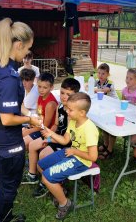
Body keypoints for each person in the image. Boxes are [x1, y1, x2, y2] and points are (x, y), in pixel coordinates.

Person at [0, 18, 41, 222]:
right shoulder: (10, 78)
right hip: (7, 139)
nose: (27, 55)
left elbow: (10, 104)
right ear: (18, 45)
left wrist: (26, 112)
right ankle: (3, 218)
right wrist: (30, 119)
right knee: (10, 181)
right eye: (27, 49)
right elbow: (8, 118)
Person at [38, 92, 99, 220]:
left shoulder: (89, 129)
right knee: (40, 165)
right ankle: (60, 191)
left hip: (81, 161)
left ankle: (65, 203)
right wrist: (50, 135)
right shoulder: (72, 121)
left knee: (46, 178)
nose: (66, 112)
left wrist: (75, 152)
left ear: (82, 112)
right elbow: (65, 141)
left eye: (70, 110)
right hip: (70, 152)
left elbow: (93, 157)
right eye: (67, 108)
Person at [29, 78, 80, 198]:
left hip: (66, 142)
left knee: (43, 154)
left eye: (68, 94)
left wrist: (50, 139)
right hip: (57, 137)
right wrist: (49, 135)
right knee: (35, 145)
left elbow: (68, 138)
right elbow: (56, 125)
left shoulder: (72, 113)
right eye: (62, 93)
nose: (64, 97)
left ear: (76, 96)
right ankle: (35, 174)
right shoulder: (60, 107)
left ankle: (49, 182)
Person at [22, 72, 58, 140]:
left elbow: (45, 125)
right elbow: (39, 115)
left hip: (48, 131)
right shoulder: (40, 97)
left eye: (45, 87)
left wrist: (30, 130)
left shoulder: (50, 104)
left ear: (51, 87)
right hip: (39, 126)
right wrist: (32, 123)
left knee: (24, 136)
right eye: (39, 86)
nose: (41, 90)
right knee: (21, 131)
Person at [93, 63, 118, 159]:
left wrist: (94, 89)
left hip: (114, 107)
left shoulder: (110, 82)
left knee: (110, 127)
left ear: (108, 74)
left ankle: (110, 149)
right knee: (104, 125)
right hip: (105, 107)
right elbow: (89, 87)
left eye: (103, 73)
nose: (100, 75)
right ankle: (105, 144)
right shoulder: (97, 82)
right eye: (99, 73)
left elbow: (105, 90)